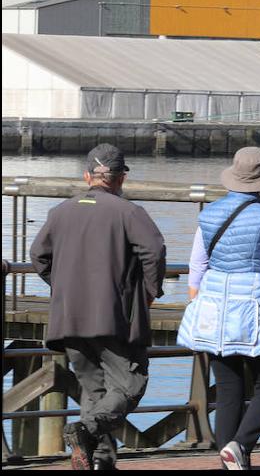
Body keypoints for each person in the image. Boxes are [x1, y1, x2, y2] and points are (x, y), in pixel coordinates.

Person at [30, 143, 167, 470]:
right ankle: (87, 431)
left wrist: (63, 288)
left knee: (95, 392)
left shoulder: (60, 212)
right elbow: (155, 251)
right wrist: (148, 293)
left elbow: (39, 257)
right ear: (121, 178)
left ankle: (100, 461)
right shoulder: (128, 212)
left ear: (87, 176)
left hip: (69, 317)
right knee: (132, 383)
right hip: (113, 318)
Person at [179, 147, 260, 471]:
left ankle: (228, 459)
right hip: (255, 308)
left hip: (213, 307)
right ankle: (240, 446)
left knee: (229, 387)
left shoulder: (209, 213)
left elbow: (196, 265)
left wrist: (195, 306)